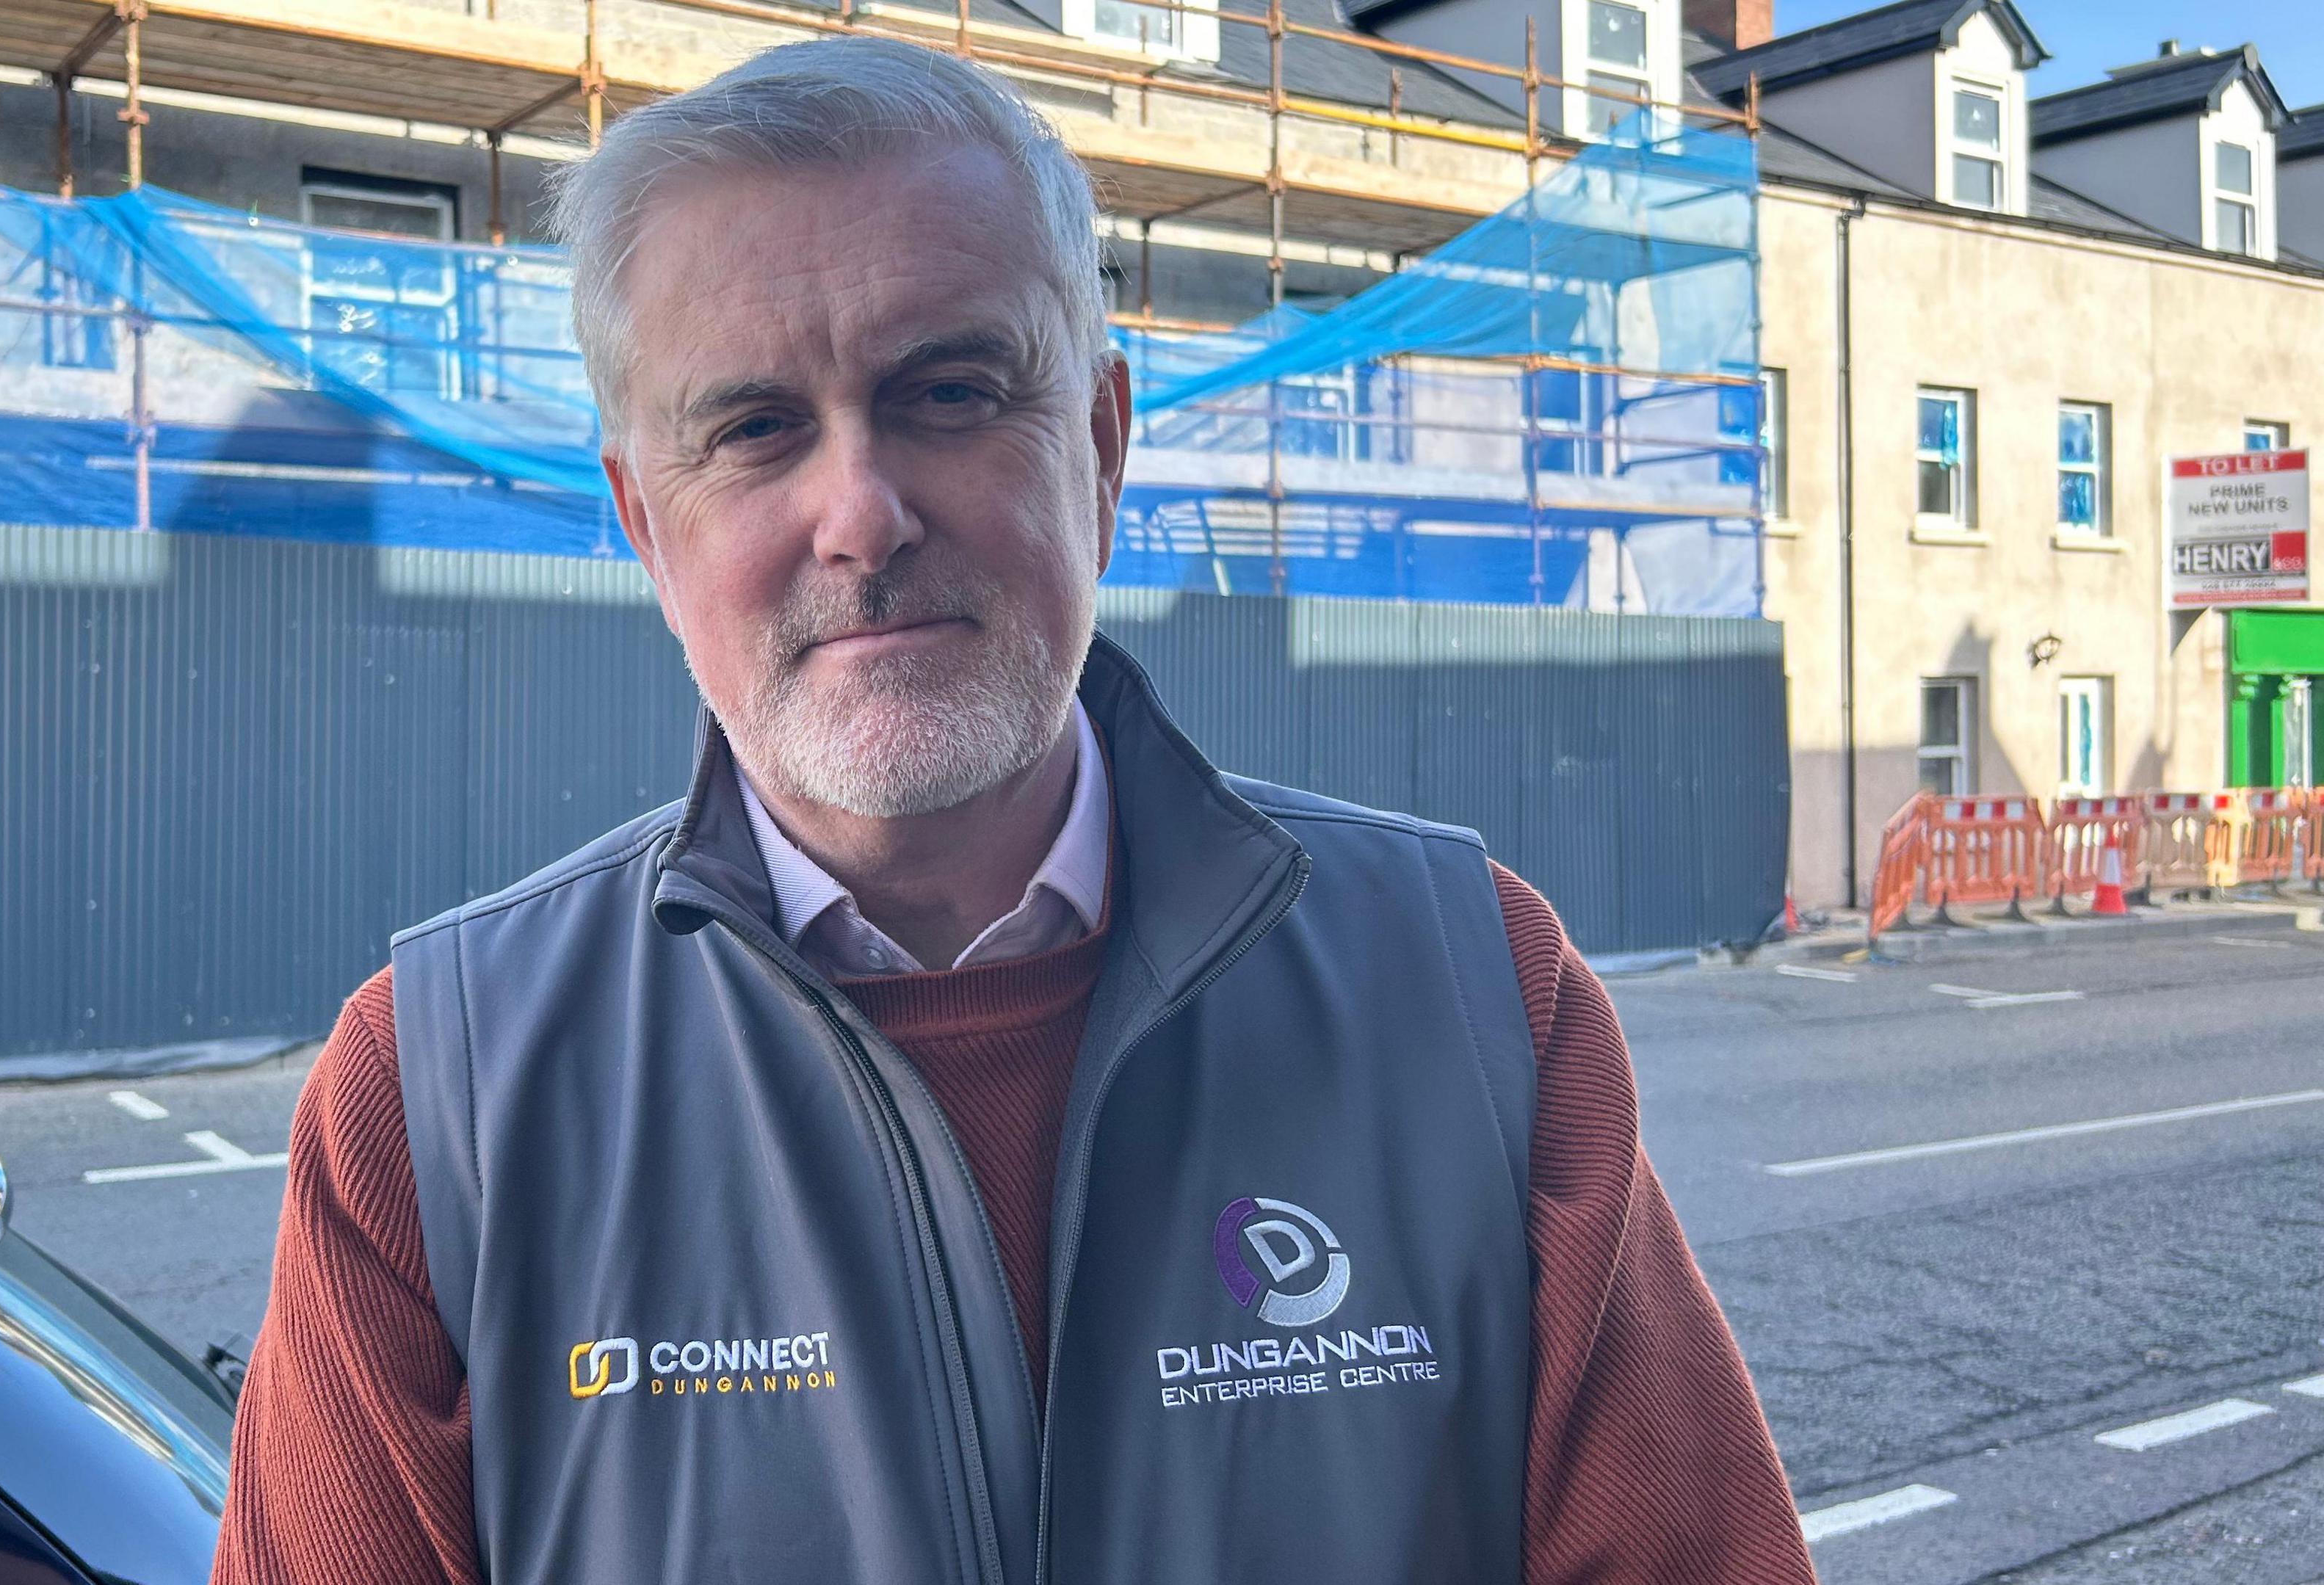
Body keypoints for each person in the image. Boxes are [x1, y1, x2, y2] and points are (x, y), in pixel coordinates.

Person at [213, 36, 1814, 1585]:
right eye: (755, 427)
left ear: (1102, 448)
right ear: (645, 521)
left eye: (952, 391)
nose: (861, 514)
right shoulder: (429, 1102)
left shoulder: (1479, 997)